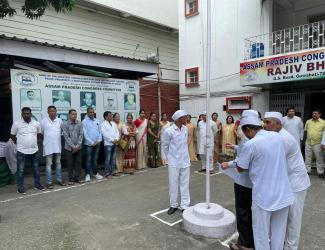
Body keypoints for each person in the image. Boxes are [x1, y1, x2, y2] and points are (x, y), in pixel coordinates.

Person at [235, 112, 294, 250]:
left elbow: (240, 168)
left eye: (245, 133)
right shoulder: (277, 137)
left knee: (261, 235)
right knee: (278, 234)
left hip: (264, 197)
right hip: (283, 194)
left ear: (249, 130)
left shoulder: (251, 144)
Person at [264, 112, 311, 250]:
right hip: (287, 182)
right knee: (283, 218)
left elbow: (272, 163)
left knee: (293, 220)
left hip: (297, 184)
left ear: (279, 124)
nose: (265, 125)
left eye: (268, 123)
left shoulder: (283, 139)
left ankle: (291, 247)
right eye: (264, 122)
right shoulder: (275, 136)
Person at [221, 110, 257, 250]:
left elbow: (242, 161)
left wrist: (227, 164)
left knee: (243, 213)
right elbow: (244, 150)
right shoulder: (258, 136)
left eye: (241, 118)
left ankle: (245, 244)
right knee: (250, 213)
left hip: (244, 182)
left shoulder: (247, 136)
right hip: (253, 182)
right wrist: (235, 147)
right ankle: (251, 241)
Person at [162, 110, 190, 215]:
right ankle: (173, 205)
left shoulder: (185, 129)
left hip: (185, 160)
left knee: (185, 183)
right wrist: (170, 158)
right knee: (173, 183)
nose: (186, 119)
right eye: (185, 117)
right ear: (179, 119)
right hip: (173, 161)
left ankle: (185, 205)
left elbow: (185, 143)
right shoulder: (169, 131)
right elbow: (165, 146)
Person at [10, 107, 44, 194]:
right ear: (21, 114)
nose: (26, 115)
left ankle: (37, 185)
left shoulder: (36, 123)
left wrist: (34, 142)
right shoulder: (16, 124)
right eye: (24, 113)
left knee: (36, 169)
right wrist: (20, 143)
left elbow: (39, 134)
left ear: (31, 114)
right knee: (21, 170)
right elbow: (12, 136)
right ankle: (20, 188)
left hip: (34, 151)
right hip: (21, 151)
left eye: (28, 113)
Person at [41, 106, 66, 189]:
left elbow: (62, 132)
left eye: (54, 111)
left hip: (57, 145)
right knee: (49, 164)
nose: (52, 112)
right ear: (48, 112)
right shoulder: (44, 121)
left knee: (58, 163)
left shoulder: (60, 121)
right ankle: (49, 182)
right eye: (50, 111)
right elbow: (41, 133)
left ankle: (59, 179)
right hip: (48, 146)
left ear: (56, 111)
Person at [61, 109, 83, 185]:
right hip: (69, 148)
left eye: (75, 114)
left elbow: (81, 135)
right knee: (70, 164)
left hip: (78, 148)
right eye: (73, 114)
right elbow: (66, 137)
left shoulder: (80, 123)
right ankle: (71, 179)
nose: (74, 116)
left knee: (78, 163)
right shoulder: (64, 124)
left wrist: (77, 146)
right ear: (69, 115)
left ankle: (77, 178)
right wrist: (73, 147)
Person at [82, 107, 103, 182]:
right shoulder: (84, 121)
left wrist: (99, 140)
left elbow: (100, 132)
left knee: (95, 160)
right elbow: (85, 134)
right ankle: (87, 174)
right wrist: (91, 142)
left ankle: (95, 173)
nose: (92, 113)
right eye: (90, 112)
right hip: (89, 144)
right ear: (87, 113)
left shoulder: (97, 121)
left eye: (93, 112)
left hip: (97, 143)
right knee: (88, 160)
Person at [304, 109, 325, 177]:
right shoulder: (308, 121)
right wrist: (304, 141)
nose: (314, 115)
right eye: (313, 113)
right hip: (308, 142)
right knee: (308, 157)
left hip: (318, 143)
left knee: (319, 158)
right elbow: (305, 131)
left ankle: (320, 172)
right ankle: (307, 171)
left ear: (319, 114)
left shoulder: (323, 122)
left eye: (316, 113)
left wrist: (323, 144)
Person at [101, 111, 120, 179]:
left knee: (113, 159)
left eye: (111, 115)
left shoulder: (113, 123)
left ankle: (113, 171)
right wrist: (112, 140)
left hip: (114, 143)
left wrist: (116, 139)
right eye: (110, 115)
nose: (111, 117)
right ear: (106, 117)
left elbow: (117, 132)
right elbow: (105, 134)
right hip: (108, 144)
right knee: (107, 159)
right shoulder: (103, 124)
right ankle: (107, 173)